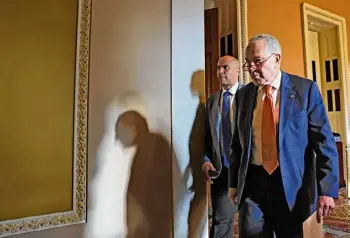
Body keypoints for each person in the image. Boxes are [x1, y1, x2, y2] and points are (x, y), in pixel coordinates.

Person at [228, 34, 339, 237]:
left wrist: (327, 190)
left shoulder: (305, 90)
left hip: (291, 186)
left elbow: (324, 142)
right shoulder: (244, 96)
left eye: (258, 61)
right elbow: (237, 144)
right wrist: (233, 183)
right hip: (254, 184)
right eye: (248, 63)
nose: (252, 68)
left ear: (276, 59)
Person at [202, 55, 244, 237]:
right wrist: (205, 160)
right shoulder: (211, 102)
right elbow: (206, 136)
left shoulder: (250, 95)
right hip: (221, 172)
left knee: (254, 223)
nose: (220, 72)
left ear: (237, 70)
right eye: (218, 68)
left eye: (225, 68)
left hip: (247, 171)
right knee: (221, 223)